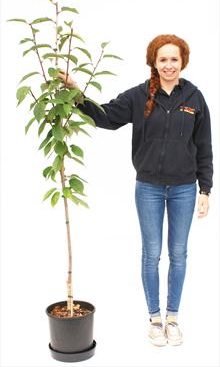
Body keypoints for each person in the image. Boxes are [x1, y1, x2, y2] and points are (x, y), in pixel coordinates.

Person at [58, 34, 213, 347]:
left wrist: (205, 189)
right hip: (149, 189)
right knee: (151, 254)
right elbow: (105, 118)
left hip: (184, 188)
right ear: (153, 62)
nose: (169, 65)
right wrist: (76, 93)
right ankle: (154, 319)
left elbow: (204, 146)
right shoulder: (139, 96)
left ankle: (173, 317)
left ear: (183, 61)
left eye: (174, 59)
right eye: (163, 59)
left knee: (179, 254)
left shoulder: (195, 98)